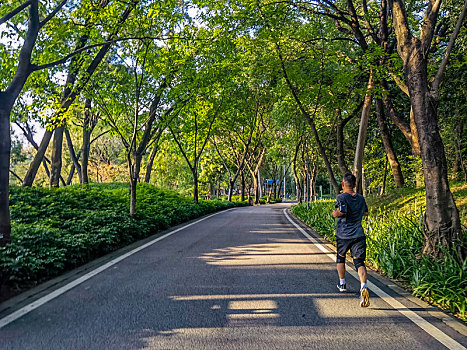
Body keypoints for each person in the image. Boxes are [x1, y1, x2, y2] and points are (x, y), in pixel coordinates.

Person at [332, 172, 370, 307]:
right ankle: (363, 286)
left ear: (343, 184)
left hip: (343, 235)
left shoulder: (341, 197)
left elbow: (342, 211)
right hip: (358, 234)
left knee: (341, 258)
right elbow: (366, 212)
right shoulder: (360, 198)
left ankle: (342, 283)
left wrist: (335, 214)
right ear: (355, 185)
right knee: (359, 262)